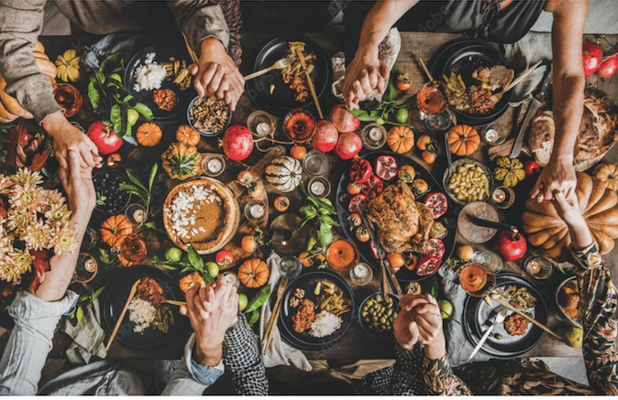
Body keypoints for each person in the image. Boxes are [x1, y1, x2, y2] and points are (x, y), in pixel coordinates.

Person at [0, 152, 268, 395]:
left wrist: (82, 209)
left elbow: (34, 323)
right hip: (165, 371)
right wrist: (212, 343)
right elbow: (244, 377)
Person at [354, 188, 618, 395]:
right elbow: (605, 329)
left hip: (450, 381)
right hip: (510, 368)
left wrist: (434, 349)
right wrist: (580, 230)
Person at [342, 0, 587, 205]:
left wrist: (563, 156)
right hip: (410, 52)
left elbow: (569, 75)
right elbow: (393, 6)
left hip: (475, 74)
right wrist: (368, 47)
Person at [0, 0, 244, 173]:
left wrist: (211, 43)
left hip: (173, 21)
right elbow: (13, 42)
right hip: (96, 31)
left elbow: (193, 4)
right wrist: (54, 122)